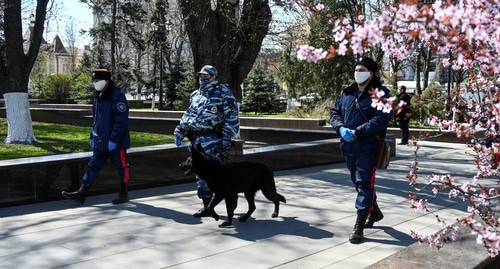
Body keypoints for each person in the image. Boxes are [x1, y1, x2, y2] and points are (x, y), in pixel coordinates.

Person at [330, 56, 392, 244]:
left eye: (362, 70)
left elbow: (381, 119)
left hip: (368, 147)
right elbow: (334, 112)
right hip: (348, 146)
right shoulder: (347, 93)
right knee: (357, 182)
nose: (358, 73)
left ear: (371, 73)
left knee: (364, 182)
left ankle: (358, 226)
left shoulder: (381, 93)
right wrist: (340, 128)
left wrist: (358, 132)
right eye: (356, 69)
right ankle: (375, 212)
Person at [174, 65, 240, 217]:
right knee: (201, 175)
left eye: (205, 76)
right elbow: (188, 116)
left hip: (215, 140)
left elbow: (232, 117)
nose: (202, 79)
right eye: (200, 76)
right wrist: (180, 131)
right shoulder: (196, 95)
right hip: (197, 140)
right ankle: (206, 206)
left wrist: (226, 137)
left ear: (213, 77)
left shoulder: (224, 92)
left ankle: (232, 196)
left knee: (219, 174)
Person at [61, 69, 131, 205]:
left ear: (106, 81)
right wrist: (92, 136)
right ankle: (81, 193)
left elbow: (121, 121)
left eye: (97, 80)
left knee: (122, 168)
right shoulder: (98, 97)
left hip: (116, 144)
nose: (95, 83)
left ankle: (124, 194)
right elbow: (96, 121)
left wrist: (113, 140)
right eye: (94, 81)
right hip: (100, 141)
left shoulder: (117, 96)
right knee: (92, 167)